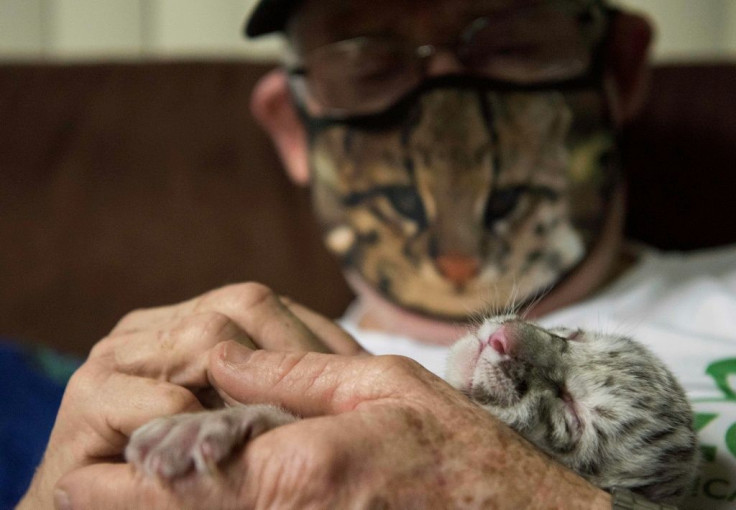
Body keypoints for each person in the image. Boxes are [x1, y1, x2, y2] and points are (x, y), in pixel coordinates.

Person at [17, 0, 736, 508]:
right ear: (293, 132)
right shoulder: (241, 369)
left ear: (620, 70)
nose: (441, 90)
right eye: (367, 64)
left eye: (509, 41)